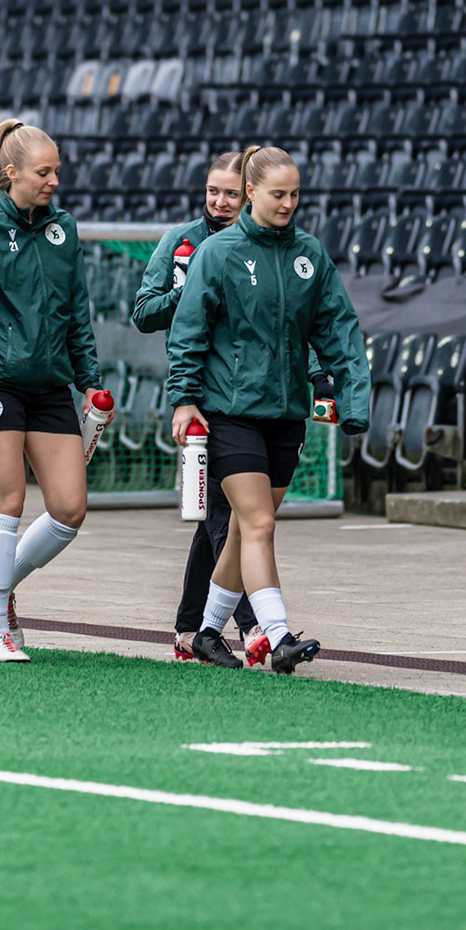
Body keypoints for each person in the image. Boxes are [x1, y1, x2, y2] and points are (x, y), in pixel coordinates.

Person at [166, 146, 369, 675]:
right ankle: (276, 636)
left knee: (244, 528)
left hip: (286, 413)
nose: (288, 203)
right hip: (228, 412)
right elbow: (188, 332)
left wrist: (354, 399)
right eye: (279, 194)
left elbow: (339, 330)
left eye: (295, 193)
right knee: (257, 522)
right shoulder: (219, 252)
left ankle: (206, 633)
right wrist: (185, 399)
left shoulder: (310, 255)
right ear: (251, 193)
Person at [0, 119, 103, 663]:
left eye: (57, 170)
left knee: (69, 510)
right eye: (44, 171)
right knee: (7, 504)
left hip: (51, 385)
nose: (54, 180)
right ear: (12, 174)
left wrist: (91, 382)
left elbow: (77, 311)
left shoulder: (64, 230)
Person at [130, 150, 265, 664]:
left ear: (250, 194)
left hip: (248, 395)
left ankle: (190, 628)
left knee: (218, 516)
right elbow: (143, 312)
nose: (220, 201)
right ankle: (255, 626)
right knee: (227, 516)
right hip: (199, 397)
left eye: (231, 193)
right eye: (213, 191)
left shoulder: (262, 247)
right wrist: (185, 293)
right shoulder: (179, 241)